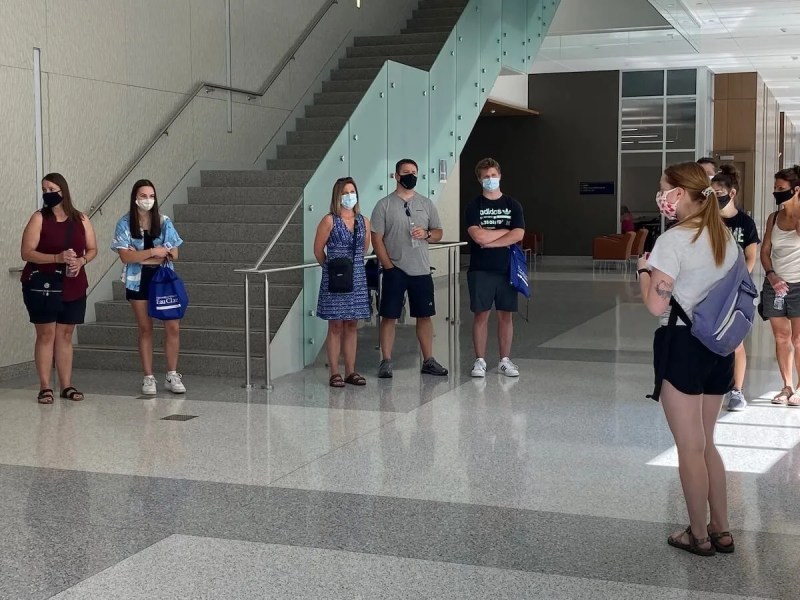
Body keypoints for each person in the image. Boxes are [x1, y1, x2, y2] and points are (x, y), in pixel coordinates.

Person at [638, 162, 738, 556]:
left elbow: (653, 304)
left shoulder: (674, 240)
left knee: (689, 447)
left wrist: (644, 271)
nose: (660, 195)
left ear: (679, 193)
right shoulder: (724, 236)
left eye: (664, 188)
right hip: (720, 347)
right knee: (708, 443)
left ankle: (697, 535)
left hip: (682, 345)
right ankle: (722, 529)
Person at [20, 173, 97, 404]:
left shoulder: (81, 219)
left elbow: (92, 249)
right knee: (46, 335)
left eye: (51, 188)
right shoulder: (39, 218)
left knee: (65, 334)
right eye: (44, 190)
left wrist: (82, 261)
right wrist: (57, 257)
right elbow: (26, 252)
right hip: (43, 285)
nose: (47, 193)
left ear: (63, 190)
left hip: (73, 283)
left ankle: (66, 385)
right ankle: (45, 386)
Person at [371, 158, 447, 378]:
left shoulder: (426, 204)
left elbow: (439, 232)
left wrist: (428, 234)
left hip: (421, 270)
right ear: (396, 176)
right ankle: (386, 360)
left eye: (414, 172)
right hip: (395, 269)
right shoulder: (384, 205)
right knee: (389, 315)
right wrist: (388, 267)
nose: (410, 176)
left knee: (424, 315)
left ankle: (428, 360)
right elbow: (376, 239)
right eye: (406, 172)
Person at [111, 179, 185, 395]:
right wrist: (154, 252)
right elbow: (125, 257)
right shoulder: (124, 224)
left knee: (173, 326)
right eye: (143, 196)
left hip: (163, 279)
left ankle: (172, 374)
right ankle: (148, 377)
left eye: (151, 195)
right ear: (135, 198)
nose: (148, 200)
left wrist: (143, 256)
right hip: (138, 281)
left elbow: (175, 253)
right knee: (145, 328)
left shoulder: (164, 222)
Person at [464, 158, 525, 378]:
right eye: (485, 176)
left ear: (499, 175)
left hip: (506, 268)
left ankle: (504, 360)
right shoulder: (474, 206)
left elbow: (518, 234)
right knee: (481, 315)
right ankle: (479, 360)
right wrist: (504, 232)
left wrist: (490, 240)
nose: (490, 179)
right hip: (480, 269)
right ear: (479, 179)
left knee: (506, 315)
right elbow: (477, 235)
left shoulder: (512, 205)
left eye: (493, 175)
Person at [314, 177, 371, 387]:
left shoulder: (363, 221)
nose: (349, 196)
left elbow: (364, 249)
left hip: (356, 277)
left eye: (352, 191)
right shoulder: (329, 220)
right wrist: (331, 269)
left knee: (352, 324)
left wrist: (351, 268)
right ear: (338, 196)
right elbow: (318, 250)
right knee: (335, 325)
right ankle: (335, 372)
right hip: (335, 279)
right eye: (345, 192)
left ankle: (351, 370)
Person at [711, 164, 759, 411]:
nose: (715, 196)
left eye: (719, 191)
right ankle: (710, 385)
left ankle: (737, 391)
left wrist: (736, 281)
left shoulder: (745, 223)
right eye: (712, 191)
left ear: (731, 193)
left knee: (735, 340)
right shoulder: (709, 222)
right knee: (708, 336)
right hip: (710, 288)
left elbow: (751, 257)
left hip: (737, 290)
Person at [759, 165, 800, 407]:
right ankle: (786, 385)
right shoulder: (773, 218)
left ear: (796, 190)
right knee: (781, 337)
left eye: (781, 189)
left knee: (798, 340)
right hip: (776, 284)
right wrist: (772, 276)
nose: (776, 192)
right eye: (775, 188)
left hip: (799, 284)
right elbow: (765, 251)